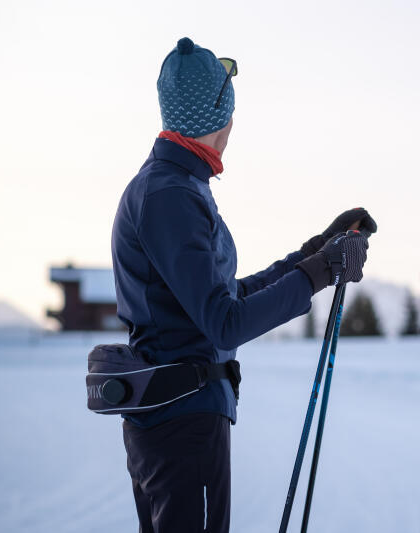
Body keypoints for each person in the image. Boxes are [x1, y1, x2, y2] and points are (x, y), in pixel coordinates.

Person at [111, 37, 377, 533]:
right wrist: (320, 271)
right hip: (181, 425)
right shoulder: (169, 194)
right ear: (220, 115)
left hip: (180, 418)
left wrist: (314, 253)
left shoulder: (178, 186)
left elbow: (220, 298)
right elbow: (225, 322)